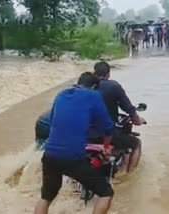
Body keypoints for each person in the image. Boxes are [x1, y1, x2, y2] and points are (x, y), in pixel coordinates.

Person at [34, 72, 114, 214]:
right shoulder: (94, 96)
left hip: (49, 155)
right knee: (106, 193)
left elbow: (54, 121)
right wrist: (106, 148)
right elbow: (107, 127)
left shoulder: (61, 95)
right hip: (73, 158)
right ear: (94, 86)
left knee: (46, 197)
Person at [93, 62, 146, 172]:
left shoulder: (86, 87)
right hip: (106, 134)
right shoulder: (113, 86)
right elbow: (129, 108)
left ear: (94, 73)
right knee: (136, 144)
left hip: (84, 134)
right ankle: (130, 176)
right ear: (108, 74)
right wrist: (138, 120)